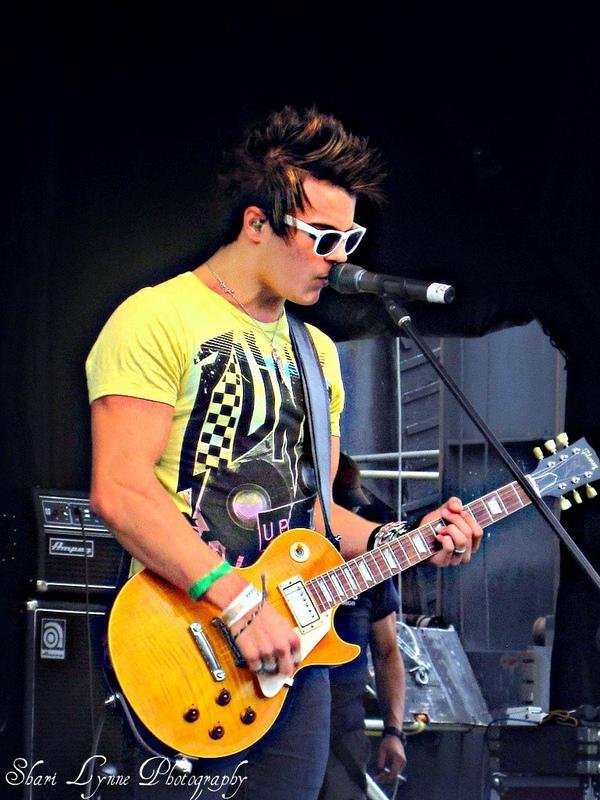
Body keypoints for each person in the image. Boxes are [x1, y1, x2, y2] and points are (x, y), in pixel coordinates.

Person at [86, 105, 482, 799]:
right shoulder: (157, 319)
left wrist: (404, 538)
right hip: (184, 641)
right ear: (256, 223)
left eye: (350, 238)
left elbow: (318, 516)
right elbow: (120, 490)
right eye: (323, 237)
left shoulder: (317, 352)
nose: (340, 258)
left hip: (292, 660)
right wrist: (240, 604)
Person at [319, 454, 406, 800]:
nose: (353, 517)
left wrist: (394, 731)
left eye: (353, 511)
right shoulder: (280, 557)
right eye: (344, 511)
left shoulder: (369, 568)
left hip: (344, 713)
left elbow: (387, 652)